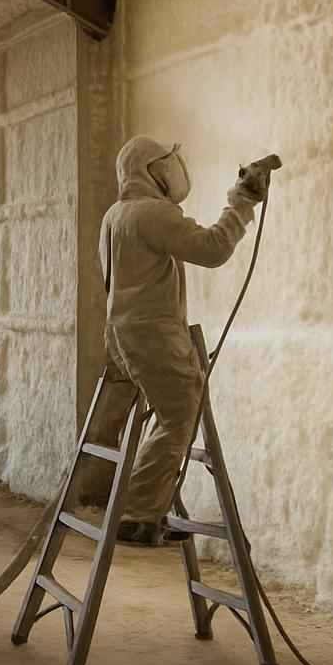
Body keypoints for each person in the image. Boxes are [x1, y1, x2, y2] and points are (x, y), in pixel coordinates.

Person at [100, 136, 266, 547]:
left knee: (157, 417)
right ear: (154, 171)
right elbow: (212, 249)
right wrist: (241, 201)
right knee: (178, 417)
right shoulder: (152, 213)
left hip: (121, 332)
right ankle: (136, 516)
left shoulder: (115, 214)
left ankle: (132, 503)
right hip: (153, 332)